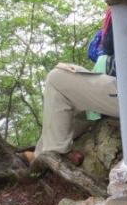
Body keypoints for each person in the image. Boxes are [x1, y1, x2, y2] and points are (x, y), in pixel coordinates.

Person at [33, 9, 119, 165]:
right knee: (69, 108)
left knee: (56, 79)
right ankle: (40, 154)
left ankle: (54, 155)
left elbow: (108, 45)